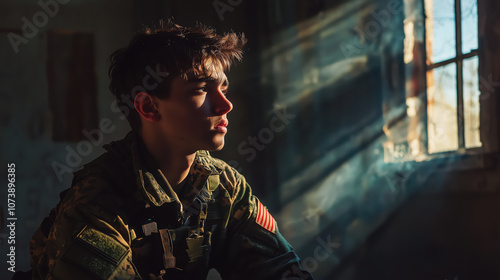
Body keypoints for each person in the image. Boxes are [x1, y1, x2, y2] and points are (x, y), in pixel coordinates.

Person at [28, 21, 313, 280]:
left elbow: (280, 271)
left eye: (224, 89)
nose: (226, 106)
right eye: (202, 89)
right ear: (149, 107)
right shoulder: (97, 201)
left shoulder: (224, 186)